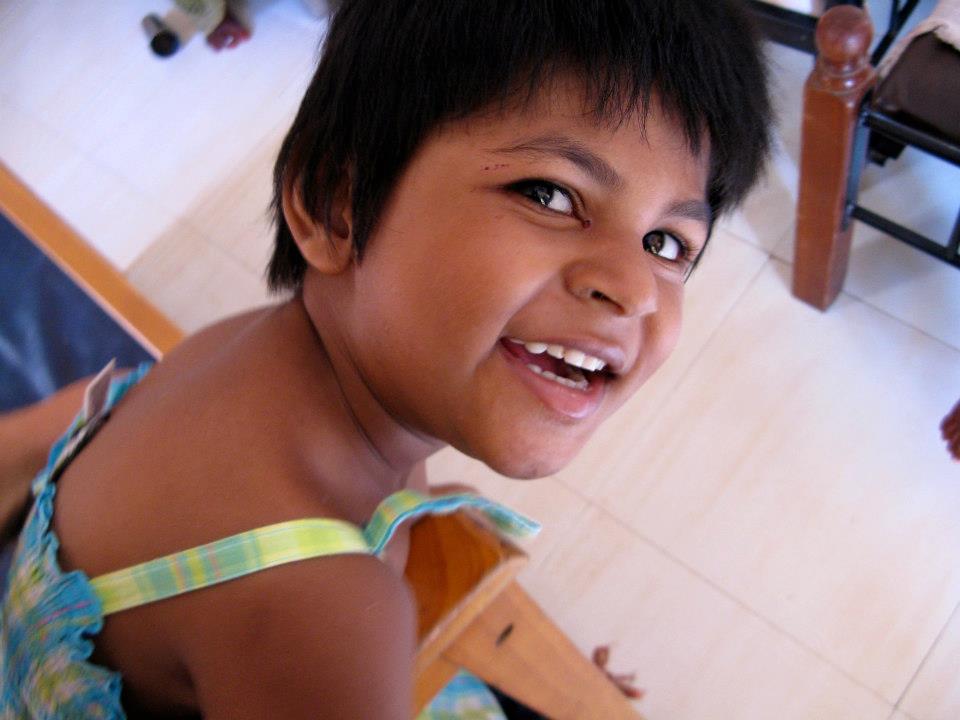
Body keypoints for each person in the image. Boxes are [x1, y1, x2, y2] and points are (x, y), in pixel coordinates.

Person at [0, 0, 772, 717]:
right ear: (335, 205)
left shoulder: (242, 356)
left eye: (667, 242)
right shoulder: (324, 615)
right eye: (549, 194)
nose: (633, 288)